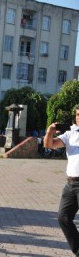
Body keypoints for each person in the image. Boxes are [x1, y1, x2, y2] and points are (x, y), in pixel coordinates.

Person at [44, 106, 79, 256]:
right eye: (78, 114)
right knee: (63, 217)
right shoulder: (70, 134)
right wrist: (49, 132)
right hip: (71, 183)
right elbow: (49, 145)